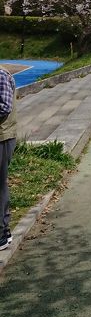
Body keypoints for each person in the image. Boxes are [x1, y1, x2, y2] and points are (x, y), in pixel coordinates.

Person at [0, 67, 18, 251]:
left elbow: (4, 107)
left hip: (3, 137)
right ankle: (4, 232)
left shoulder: (1, 76)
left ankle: (2, 234)